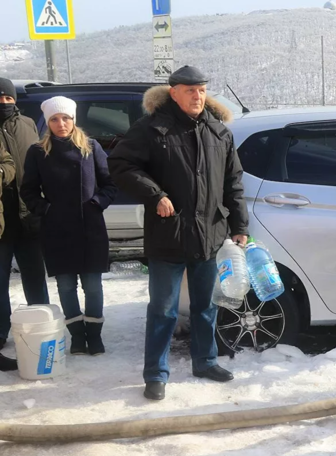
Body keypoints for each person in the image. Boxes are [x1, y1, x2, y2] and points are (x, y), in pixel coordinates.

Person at [107, 66, 248, 401]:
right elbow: (121, 165)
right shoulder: (152, 129)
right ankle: (156, 374)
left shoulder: (218, 132)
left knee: (205, 306)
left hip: (209, 233)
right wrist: (155, 194)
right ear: (173, 93)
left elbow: (234, 183)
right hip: (168, 235)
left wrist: (240, 225)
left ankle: (205, 361)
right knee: (163, 309)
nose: (197, 96)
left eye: (201, 90)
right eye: (189, 90)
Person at [20, 96, 117, 357]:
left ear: (74, 119)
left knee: (93, 286)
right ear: (48, 123)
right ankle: (76, 336)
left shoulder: (91, 147)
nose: (61, 123)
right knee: (65, 287)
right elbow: (27, 191)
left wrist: (97, 203)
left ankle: (94, 336)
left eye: (65, 118)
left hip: (90, 230)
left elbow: (110, 184)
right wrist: (46, 209)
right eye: (54, 119)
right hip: (57, 231)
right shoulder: (38, 152)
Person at [0, 77, 50, 352]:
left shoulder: (27, 124)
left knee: (34, 278)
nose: (4, 103)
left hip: (27, 217)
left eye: (8, 98)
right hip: (0, 222)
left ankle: (40, 324)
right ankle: (0, 333)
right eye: (0, 99)